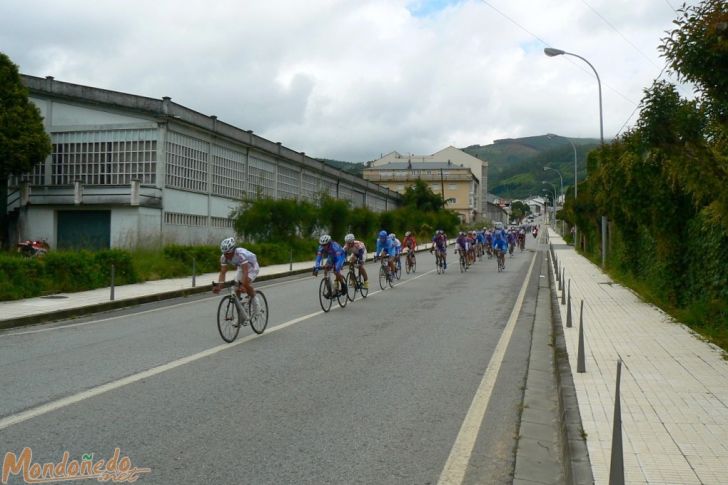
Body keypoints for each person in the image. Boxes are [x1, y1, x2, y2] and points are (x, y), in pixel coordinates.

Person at [213, 236, 261, 316]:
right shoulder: (223, 257)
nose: (226, 255)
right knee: (235, 288)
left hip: (252, 267)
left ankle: (256, 303)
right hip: (241, 268)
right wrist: (219, 286)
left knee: (244, 284)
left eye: (228, 253)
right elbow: (223, 272)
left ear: (233, 250)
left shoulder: (240, 254)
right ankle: (241, 315)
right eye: (224, 253)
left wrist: (242, 285)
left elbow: (246, 271)